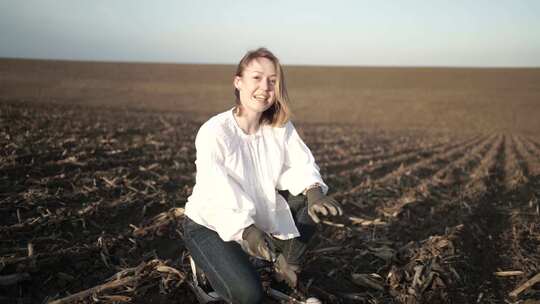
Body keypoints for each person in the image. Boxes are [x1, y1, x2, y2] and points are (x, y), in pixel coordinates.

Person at [183, 47, 342, 304]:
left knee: (307, 204)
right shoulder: (215, 132)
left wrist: (314, 193)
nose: (265, 87)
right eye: (256, 78)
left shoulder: (279, 126)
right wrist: (249, 233)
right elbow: (219, 193)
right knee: (248, 295)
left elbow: (299, 165)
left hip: (256, 218)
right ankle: (205, 269)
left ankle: (283, 269)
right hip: (210, 224)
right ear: (238, 82)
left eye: (273, 80)